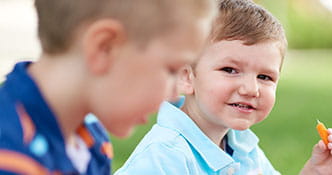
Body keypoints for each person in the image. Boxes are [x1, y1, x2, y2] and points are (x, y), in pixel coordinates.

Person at [114, 0, 332, 174]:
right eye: (230, 70)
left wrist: (315, 171)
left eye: (265, 77)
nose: (251, 89)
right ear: (186, 77)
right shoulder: (164, 156)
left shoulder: (242, 146)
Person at [0, 0, 216, 174]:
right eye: (171, 69)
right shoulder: (11, 157)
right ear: (105, 47)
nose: (173, 94)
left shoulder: (92, 141)